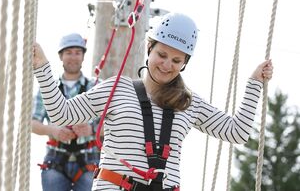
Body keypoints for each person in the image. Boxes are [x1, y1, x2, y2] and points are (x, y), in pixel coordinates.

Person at [32, 12, 273, 191]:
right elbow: (62, 114)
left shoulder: (189, 102)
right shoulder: (117, 88)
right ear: (149, 48)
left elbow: (237, 133)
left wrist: (253, 84)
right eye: (162, 55)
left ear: (184, 64)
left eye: (177, 61)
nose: (167, 65)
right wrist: (42, 67)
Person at [32, 33, 101, 191]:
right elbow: (32, 123)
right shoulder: (48, 88)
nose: (73, 57)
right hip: (55, 159)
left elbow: (114, 123)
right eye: (68, 52)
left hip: (90, 160)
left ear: (83, 56)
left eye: (78, 52)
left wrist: (92, 129)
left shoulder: (97, 87)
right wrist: (53, 130)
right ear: (61, 56)